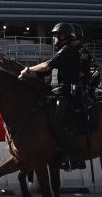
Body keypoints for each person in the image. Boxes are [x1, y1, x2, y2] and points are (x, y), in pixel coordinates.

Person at [19, 22, 88, 170]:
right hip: (59, 92)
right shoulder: (64, 50)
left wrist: (28, 69)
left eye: (57, 35)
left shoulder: (68, 50)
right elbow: (47, 71)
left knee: (57, 120)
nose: (54, 38)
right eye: (55, 36)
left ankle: (75, 156)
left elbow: (47, 65)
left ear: (65, 36)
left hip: (69, 93)